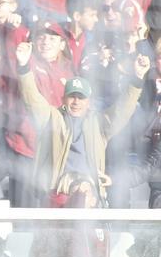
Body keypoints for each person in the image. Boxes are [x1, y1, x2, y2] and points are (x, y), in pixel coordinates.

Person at [16, 40, 148, 206]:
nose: (76, 102)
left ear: (89, 102)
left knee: (87, 197)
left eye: (81, 97)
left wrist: (138, 78)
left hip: (90, 189)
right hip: (59, 190)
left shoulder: (98, 123)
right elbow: (32, 99)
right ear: (64, 99)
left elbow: (122, 110)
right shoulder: (52, 118)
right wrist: (23, 67)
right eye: (72, 96)